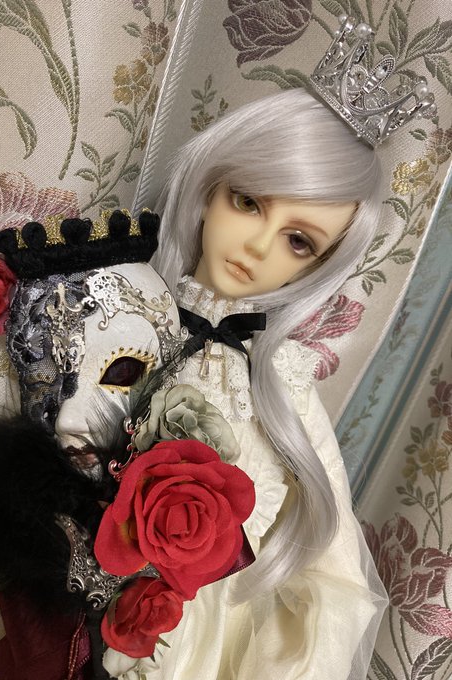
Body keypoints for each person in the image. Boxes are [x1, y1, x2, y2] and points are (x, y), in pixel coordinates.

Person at [107, 87, 387, 680]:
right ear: (211, 188)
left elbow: (336, 577)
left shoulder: (282, 385)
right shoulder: (122, 317)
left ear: (318, 265)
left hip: (196, 653)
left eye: (298, 241)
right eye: (249, 201)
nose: (258, 246)